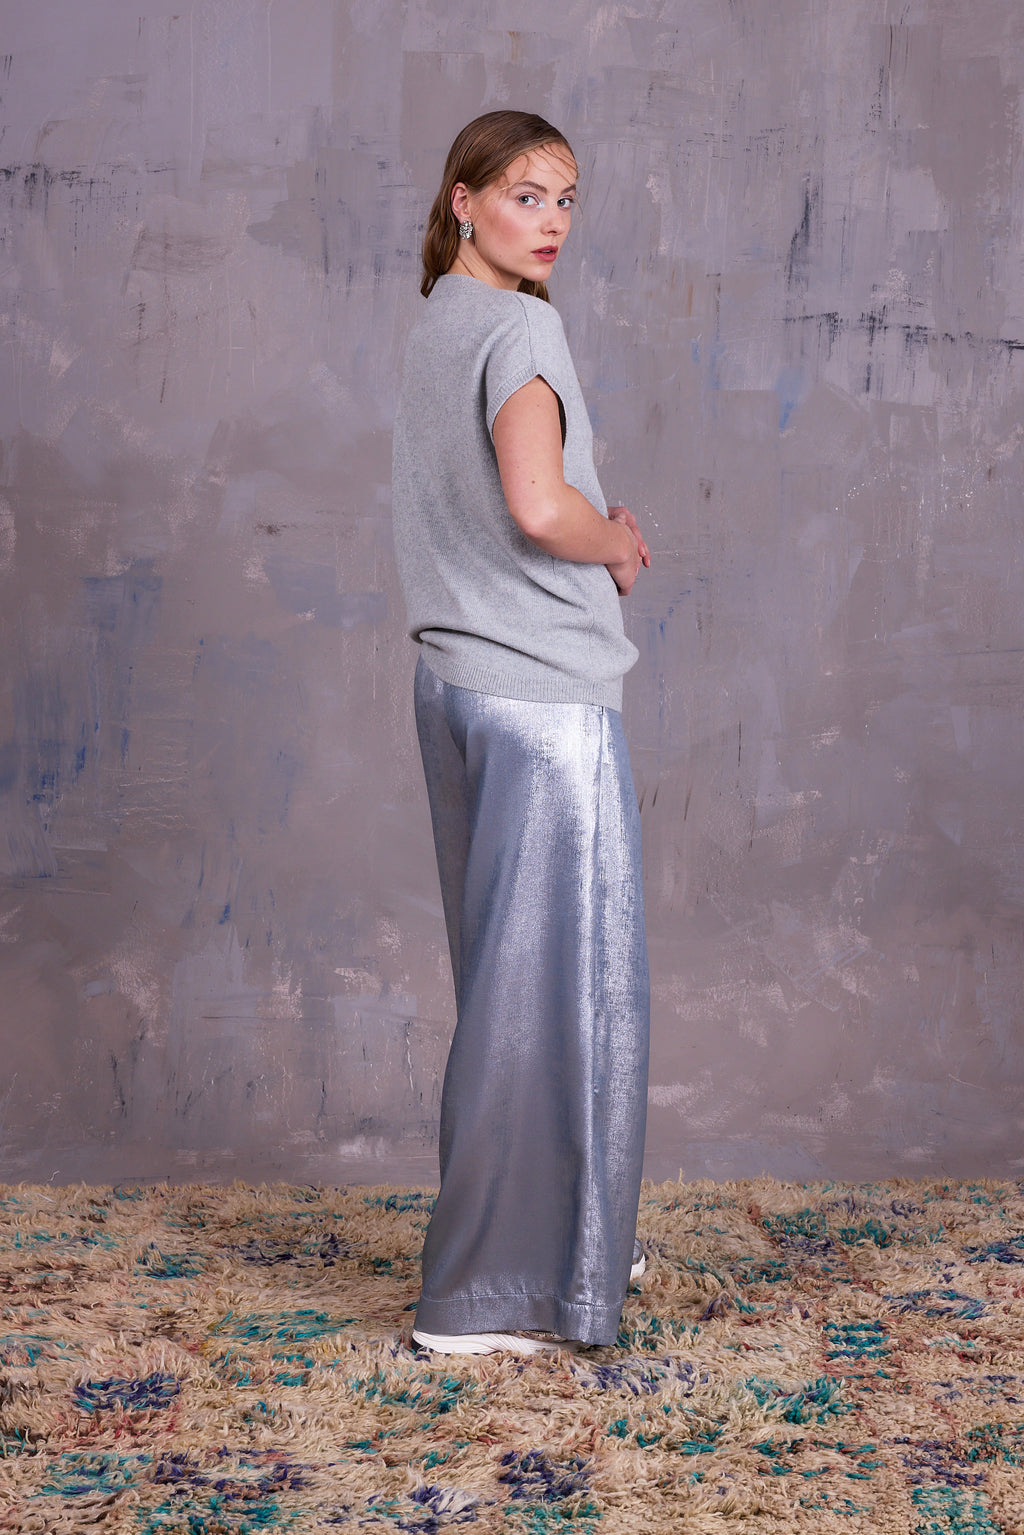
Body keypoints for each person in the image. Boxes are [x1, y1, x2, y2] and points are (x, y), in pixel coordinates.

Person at [391, 109, 651, 1356]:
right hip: (541, 697)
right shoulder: (519, 327)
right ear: (464, 200)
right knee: (563, 990)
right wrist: (618, 540)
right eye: (524, 195)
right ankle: (491, 1290)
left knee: (512, 982)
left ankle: (571, 1232)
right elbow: (541, 506)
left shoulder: (441, 319)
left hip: (455, 685)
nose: (550, 223)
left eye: (566, 200)